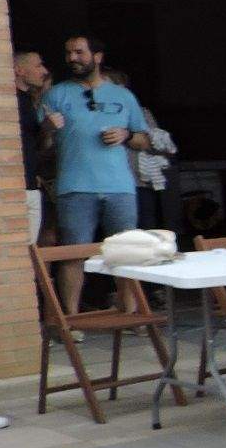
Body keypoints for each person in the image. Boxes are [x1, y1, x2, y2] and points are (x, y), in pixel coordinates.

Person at [41, 35, 150, 313]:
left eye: (79, 52)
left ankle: (129, 313)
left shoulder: (123, 95)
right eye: (68, 53)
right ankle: (71, 320)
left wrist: (126, 135)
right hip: (74, 187)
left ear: (97, 57)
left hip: (120, 187)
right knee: (73, 254)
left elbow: (144, 140)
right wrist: (47, 129)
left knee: (126, 252)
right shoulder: (55, 94)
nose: (72, 58)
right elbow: (40, 147)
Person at [105, 69, 178, 235]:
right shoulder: (93, 112)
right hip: (106, 183)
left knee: (146, 232)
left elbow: (154, 142)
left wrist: (127, 134)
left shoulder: (140, 112)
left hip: (138, 181)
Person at [14, 49, 48, 246]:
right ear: (19, 70)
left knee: (29, 252)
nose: (44, 71)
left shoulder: (28, 100)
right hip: (16, 187)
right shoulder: (10, 101)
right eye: (38, 66)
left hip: (31, 185)